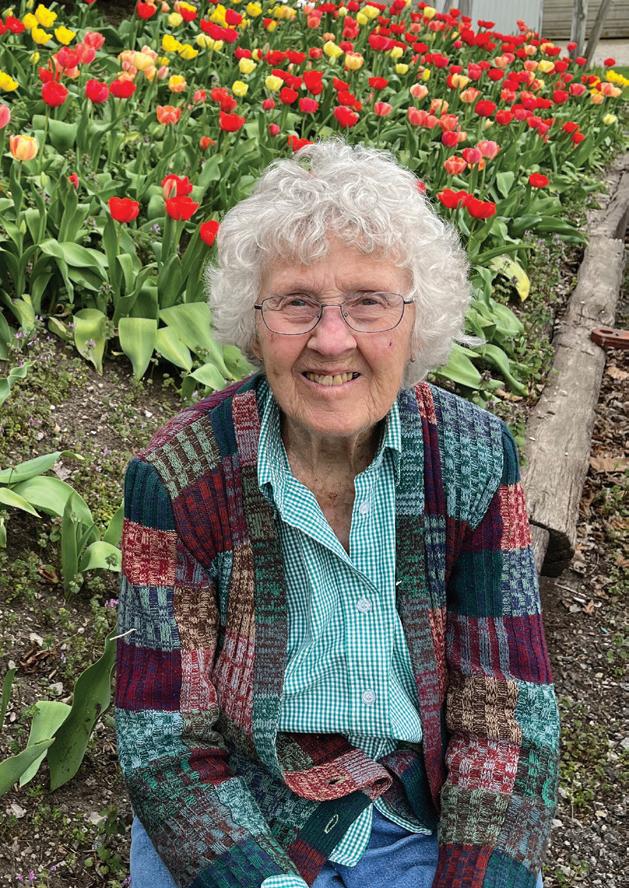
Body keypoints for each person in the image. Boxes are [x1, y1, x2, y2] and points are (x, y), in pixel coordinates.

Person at [116, 140, 559, 888]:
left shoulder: (475, 458)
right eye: (296, 302)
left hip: (418, 806)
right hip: (243, 795)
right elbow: (166, 739)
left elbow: (505, 714)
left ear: (416, 321)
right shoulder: (179, 477)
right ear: (254, 322)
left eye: (369, 301)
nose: (330, 339)